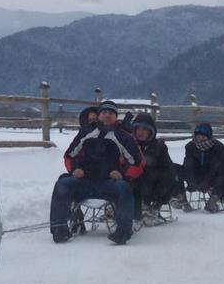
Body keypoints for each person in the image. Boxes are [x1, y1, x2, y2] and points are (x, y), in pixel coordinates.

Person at [50, 100, 146, 245]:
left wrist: (123, 174)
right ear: (99, 115)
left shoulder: (123, 137)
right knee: (63, 184)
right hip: (85, 182)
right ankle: (59, 230)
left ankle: (123, 232)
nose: (107, 115)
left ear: (115, 116)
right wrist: (74, 169)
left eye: (111, 113)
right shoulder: (86, 132)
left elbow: (138, 163)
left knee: (124, 188)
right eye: (104, 112)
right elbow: (69, 156)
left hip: (109, 184)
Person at [130, 113, 177, 221]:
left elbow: (168, 171)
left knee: (168, 175)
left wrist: (159, 192)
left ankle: (154, 207)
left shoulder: (159, 147)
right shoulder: (130, 145)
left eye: (144, 129)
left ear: (150, 131)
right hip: (135, 184)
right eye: (138, 129)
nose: (140, 132)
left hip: (155, 185)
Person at [179, 123, 224, 213]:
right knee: (174, 170)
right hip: (197, 174)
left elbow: (216, 166)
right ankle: (181, 199)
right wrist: (191, 181)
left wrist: (206, 182)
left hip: (213, 175)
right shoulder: (190, 146)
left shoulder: (217, 146)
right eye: (198, 136)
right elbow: (189, 164)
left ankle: (213, 200)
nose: (200, 138)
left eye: (203, 136)